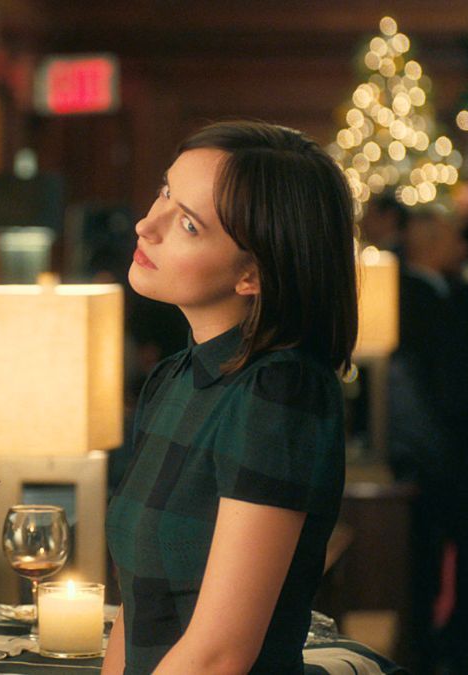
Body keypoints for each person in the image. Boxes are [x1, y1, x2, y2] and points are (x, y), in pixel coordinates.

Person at [102, 121, 357, 674]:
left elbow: (219, 654)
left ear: (252, 275)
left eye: (188, 224)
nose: (146, 224)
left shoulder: (282, 392)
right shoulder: (174, 377)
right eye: (165, 192)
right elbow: (139, 611)